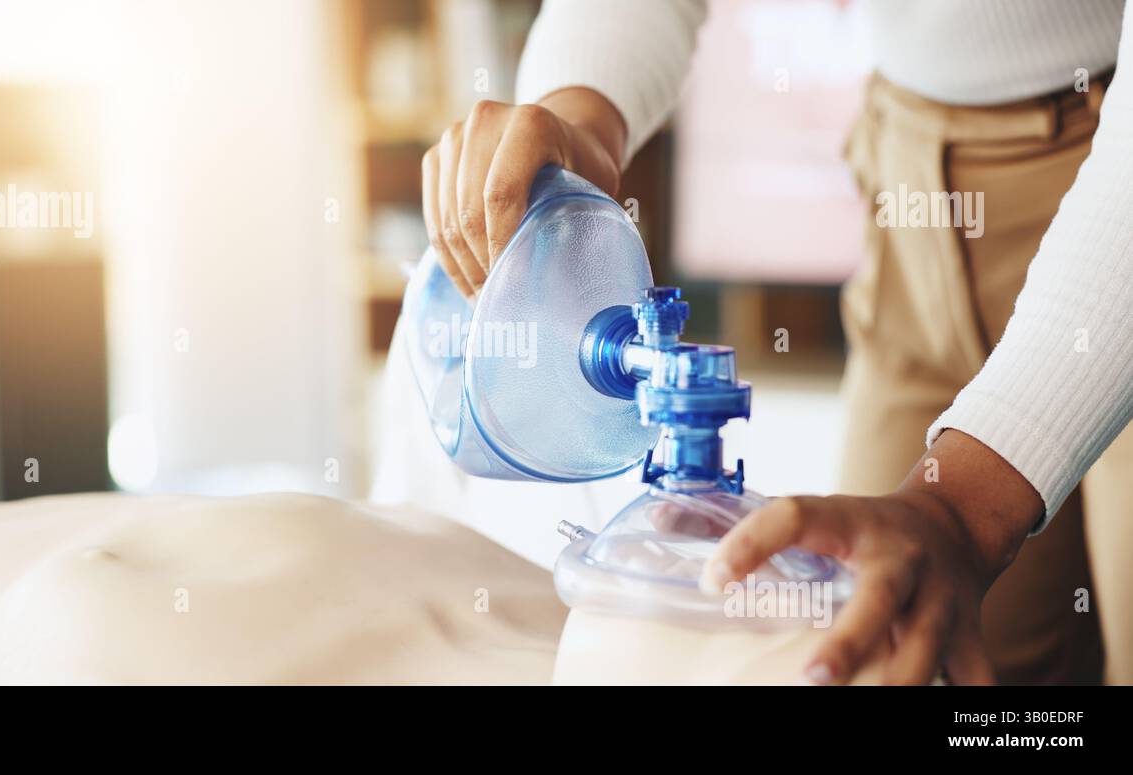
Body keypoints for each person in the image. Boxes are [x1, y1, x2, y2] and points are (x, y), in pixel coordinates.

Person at [421, 0, 1133, 685]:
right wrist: (581, 121)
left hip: (1112, 217)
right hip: (912, 174)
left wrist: (959, 513)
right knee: (899, 636)